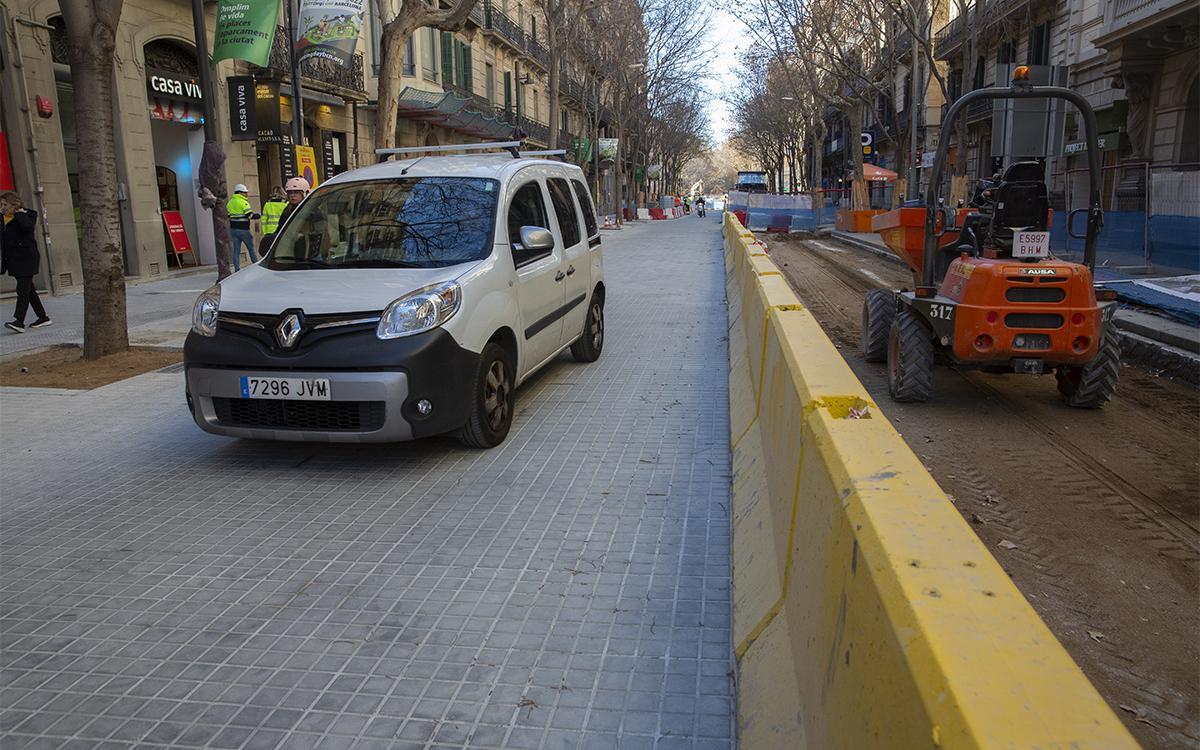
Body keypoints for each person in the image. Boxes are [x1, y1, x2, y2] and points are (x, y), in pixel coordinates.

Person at [1, 191, 50, 333]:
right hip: (13, 261)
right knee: (30, 291)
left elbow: (28, 227)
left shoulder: (28, 214)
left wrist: (19, 213)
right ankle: (43, 317)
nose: (2, 207)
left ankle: (19, 321)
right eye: (1, 205)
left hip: (27, 259)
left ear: (14, 204)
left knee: (22, 290)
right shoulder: (3, 218)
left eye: (5, 204)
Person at [226, 183, 260, 271]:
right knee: (251, 248)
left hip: (233, 230)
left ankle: (237, 269)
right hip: (244, 230)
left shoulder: (230, 203)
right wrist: (258, 216)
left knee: (236, 251)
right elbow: (250, 215)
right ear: (240, 193)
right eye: (245, 192)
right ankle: (256, 266)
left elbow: (228, 216)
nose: (246, 194)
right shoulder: (244, 202)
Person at [258, 187, 288, 257]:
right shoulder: (286, 204)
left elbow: (264, 220)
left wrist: (264, 232)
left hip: (269, 231)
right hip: (282, 230)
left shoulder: (267, 204)